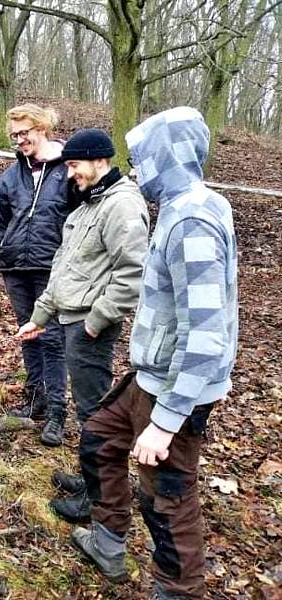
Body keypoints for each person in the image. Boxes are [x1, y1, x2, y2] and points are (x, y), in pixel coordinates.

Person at [69, 107, 238, 599]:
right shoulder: (180, 207)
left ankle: (175, 591)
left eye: (144, 157)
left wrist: (165, 422)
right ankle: (107, 544)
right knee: (99, 438)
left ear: (169, 156)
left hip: (175, 389)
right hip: (148, 376)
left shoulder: (193, 221)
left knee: (167, 497)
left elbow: (207, 336)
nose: (137, 168)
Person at [14, 129, 149, 520]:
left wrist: (95, 322)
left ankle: (100, 497)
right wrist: (39, 317)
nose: (70, 173)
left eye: (74, 165)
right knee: (89, 411)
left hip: (89, 327)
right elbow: (65, 270)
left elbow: (132, 273)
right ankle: (92, 479)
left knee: (95, 413)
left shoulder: (121, 205)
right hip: (71, 320)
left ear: (99, 161)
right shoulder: (90, 204)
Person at [0, 104, 71, 444]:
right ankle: (35, 401)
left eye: (23, 133)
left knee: (52, 339)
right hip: (15, 267)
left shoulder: (69, 171)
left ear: (42, 128)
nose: (19, 140)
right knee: (28, 337)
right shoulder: (10, 178)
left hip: (52, 268)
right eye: (14, 136)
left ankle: (57, 412)